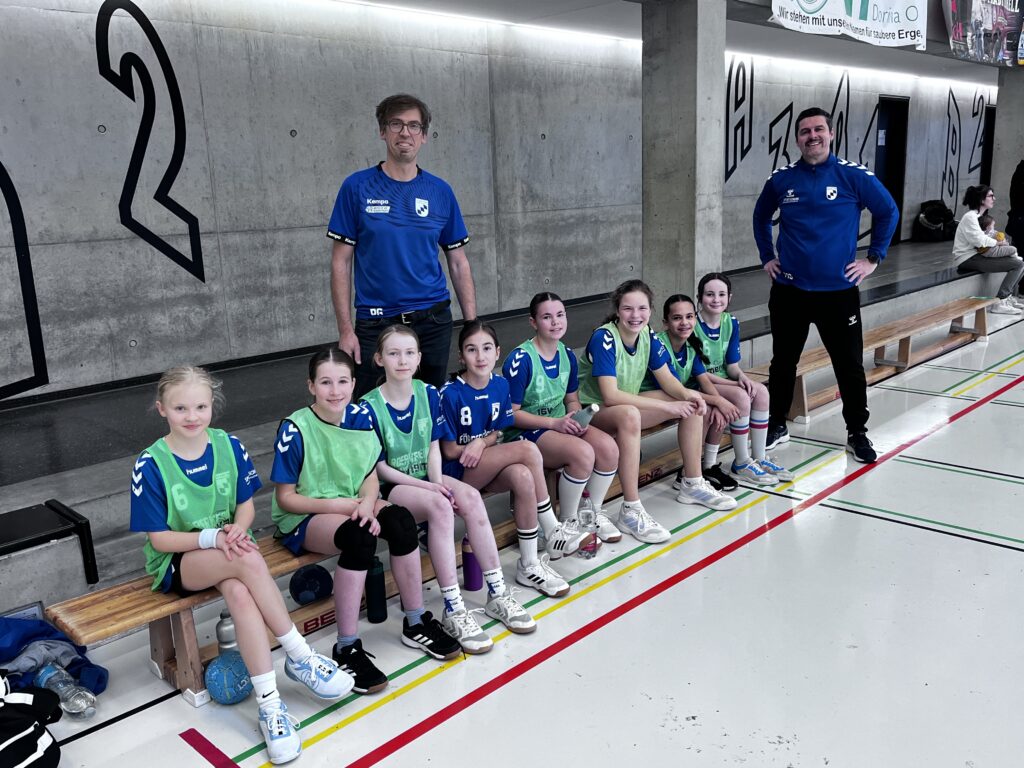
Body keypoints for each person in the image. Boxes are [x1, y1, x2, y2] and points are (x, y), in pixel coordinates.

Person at [130, 367, 351, 766]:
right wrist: (212, 538)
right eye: (180, 408)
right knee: (246, 558)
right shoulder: (150, 463)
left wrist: (235, 529)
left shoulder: (228, 445)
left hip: (228, 552)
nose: (192, 416)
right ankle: (300, 655)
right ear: (162, 409)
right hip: (180, 561)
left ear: (212, 406)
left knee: (239, 592)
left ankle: (270, 706)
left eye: (200, 406)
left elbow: (245, 507)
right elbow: (160, 540)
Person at [270, 346, 460, 696]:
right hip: (307, 514)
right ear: (311, 386)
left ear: (353, 383)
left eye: (343, 381)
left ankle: (416, 621)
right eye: (325, 382)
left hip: (354, 502)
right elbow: (286, 498)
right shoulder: (295, 428)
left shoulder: (359, 416)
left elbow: (370, 477)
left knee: (401, 522)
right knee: (360, 538)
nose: (335, 391)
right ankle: (346, 647)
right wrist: (345, 507)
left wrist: (369, 504)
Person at [361, 325, 535, 655]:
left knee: (470, 497)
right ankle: (454, 609)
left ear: (419, 358)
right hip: (393, 487)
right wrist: (430, 487)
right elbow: (379, 468)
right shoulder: (368, 406)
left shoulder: (428, 393)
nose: (402, 360)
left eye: (409, 353)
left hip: (428, 477)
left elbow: (433, 448)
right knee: (441, 506)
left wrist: (438, 482)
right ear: (379, 359)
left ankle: (497, 594)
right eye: (394, 353)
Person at [752, 106, 899, 464]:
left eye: (819, 129)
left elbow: (888, 212)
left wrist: (873, 258)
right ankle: (776, 424)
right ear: (797, 139)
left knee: (849, 365)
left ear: (831, 134)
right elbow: (760, 216)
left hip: (838, 294)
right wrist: (767, 256)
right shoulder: (782, 179)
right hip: (790, 291)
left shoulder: (853, 176)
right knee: (783, 362)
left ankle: (857, 432)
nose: (812, 136)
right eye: (805, 131)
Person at [328, 93, 476, 397]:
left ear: (424, 135)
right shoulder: (356, 187)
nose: (405, 132)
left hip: (433, 320)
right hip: (375, 322)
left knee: (429, 404)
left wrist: (472, 326)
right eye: (396, 124)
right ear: (383, 131)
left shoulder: (440, 191)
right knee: (370, 408)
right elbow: (340, 262)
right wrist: (345, 330)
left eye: (413, 125)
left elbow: (458, 262)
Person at [578, 279, 738, 545]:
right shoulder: (604, 337)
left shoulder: (647, 335)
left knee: (691, 403)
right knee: (631, 414)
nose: (635, 315)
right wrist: (666, 406)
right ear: (617, 310)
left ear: (650, 311)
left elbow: (667, 380)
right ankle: (631, 509)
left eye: (642, 308)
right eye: (628, 308)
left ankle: (692, 482)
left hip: (625, 406)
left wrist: (688, 395)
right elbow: (610, 395)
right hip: (593, 411)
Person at [439, 322, 571, 598]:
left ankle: (529, 564)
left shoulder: (500, 385)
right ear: (461, 357)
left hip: (485, 463)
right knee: (527, 450)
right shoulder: (449, 393)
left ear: (497, 352)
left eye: (487, 348)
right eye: (472, 350)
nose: (480, 356)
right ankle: (552, 527)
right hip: (456, 474)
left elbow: (497, 432)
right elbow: (448, 451)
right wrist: (475, 447)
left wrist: (482, 442)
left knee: (522, 476)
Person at [502, 292, 623, 544]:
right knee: (582, 454)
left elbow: (571, 400)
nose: (555, 322)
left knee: (609, 448)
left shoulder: (567, 354)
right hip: (525, 432)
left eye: (560, 315)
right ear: (533, 322)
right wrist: (554, 423)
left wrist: (577, 417)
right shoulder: (521, 359)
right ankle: (568, 522)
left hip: (558, 424)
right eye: (547, 317)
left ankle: (593, 512)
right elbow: (511, 415)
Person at [692, 276, 795, 485]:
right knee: (741, 395)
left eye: (721, 294)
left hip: (722, 381)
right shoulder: (691, 325)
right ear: (699, 297)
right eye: (710, 294)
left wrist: (742, 377)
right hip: (699, 383)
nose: (716, 299)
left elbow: (731, 366)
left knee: (761, 392)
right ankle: (741, 462)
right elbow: (698, 373)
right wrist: (736, 384)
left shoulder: (730, 322)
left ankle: (759, 458)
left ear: (729, 297)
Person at [953, 185, 1024, 316]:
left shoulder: (978, 216)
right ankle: (1000, 301)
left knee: (1018, 262)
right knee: (1018, 264)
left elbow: (984, 239)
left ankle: (1006, 298)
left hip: (977, 255)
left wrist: (998, 241)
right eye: (991, 196)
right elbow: (979, 241)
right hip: (968, 258)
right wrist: (999, 243)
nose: (994, 199)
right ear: (981, 199)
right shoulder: (970, 217)